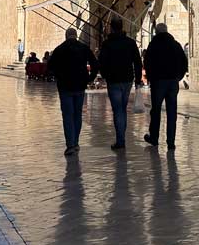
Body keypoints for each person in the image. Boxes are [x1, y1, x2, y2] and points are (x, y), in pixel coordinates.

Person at [47, 28, 98, 156]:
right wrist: (89, 78)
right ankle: (75, 142)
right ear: (75, 36)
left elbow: (50, 67)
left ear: (66, 36)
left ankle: (70, 145)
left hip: (65, 87)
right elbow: (95, 64)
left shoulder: (60, 49)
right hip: (80, 86)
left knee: (67, 115)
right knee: (77, 114)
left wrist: (58, 76)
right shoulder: (83, 48)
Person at [98, 18, 142, 150]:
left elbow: (102, 62)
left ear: (111, 28)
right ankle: (121, 138)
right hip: (127, 79)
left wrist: (105, 75)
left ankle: (120, 140)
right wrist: (138, 79)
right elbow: (138, 62)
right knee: (122, 109)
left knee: (118, 110)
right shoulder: (130, 43)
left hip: (114, 80)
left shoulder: (107, 44)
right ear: (122, 27)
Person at [143, 23, 188, 150]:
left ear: (156, 32)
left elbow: (147, 63)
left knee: (156, 110)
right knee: (172, 112)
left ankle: (154, 137)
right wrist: (177, 77)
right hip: (172, 82)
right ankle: (171, 141)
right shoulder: (176, 45)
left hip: (158, 82)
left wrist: (152, 78)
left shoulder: (153, 45)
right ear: (167, 31)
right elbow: (184, 63)